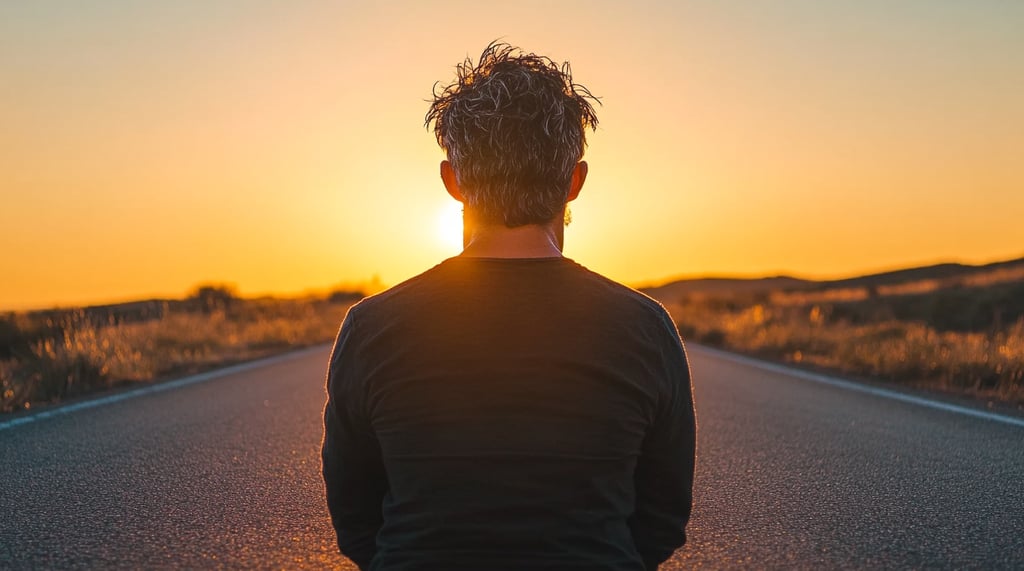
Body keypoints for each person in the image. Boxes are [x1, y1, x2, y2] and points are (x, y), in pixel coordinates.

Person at [322, 42, 697, 571]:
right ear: (575, 182)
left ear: (452, 181)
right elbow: (661, 518)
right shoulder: (645, 327)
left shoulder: (372, 327)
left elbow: (356, 518)